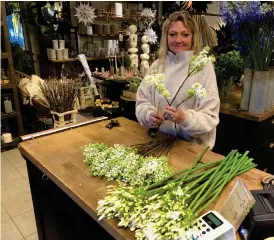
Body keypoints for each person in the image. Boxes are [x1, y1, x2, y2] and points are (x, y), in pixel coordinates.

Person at [135, 11, 220, 149]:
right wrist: (148, 115)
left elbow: (210, 116)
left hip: (192, 148)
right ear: (166, 37)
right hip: (159, 141)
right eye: (172, 34)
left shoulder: (203, 67)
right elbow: (142, 101)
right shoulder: (157, 65)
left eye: (185, 34)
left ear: (193, 37)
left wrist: (185, 119)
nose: (178, 40)